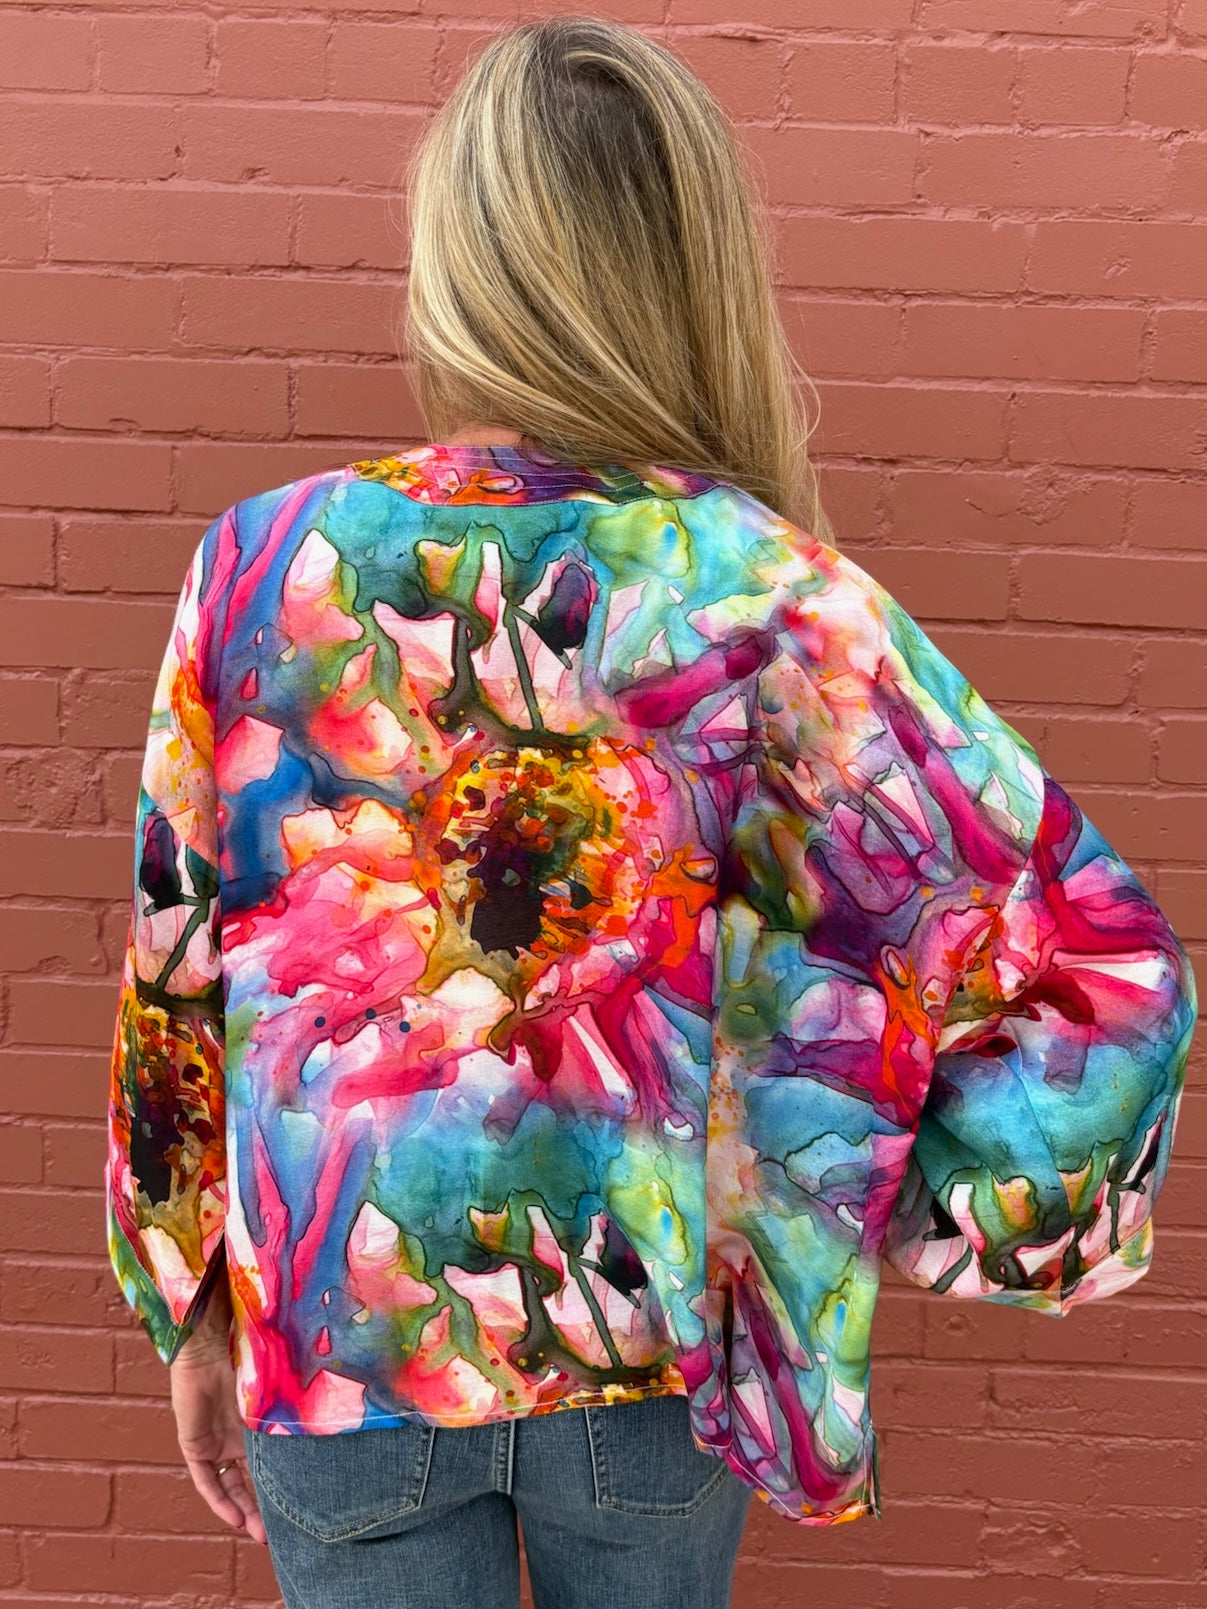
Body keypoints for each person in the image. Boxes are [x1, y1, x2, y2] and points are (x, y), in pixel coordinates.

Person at [104, 14, 1197, 1609]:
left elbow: (175, 969)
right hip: (652, 1352)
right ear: (688, 267)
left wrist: (188, 1302)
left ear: (456, 256)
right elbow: (1106, 977)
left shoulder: (262, 566)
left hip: (340, 1339)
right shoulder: (769, 596)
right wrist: (871, 1185)